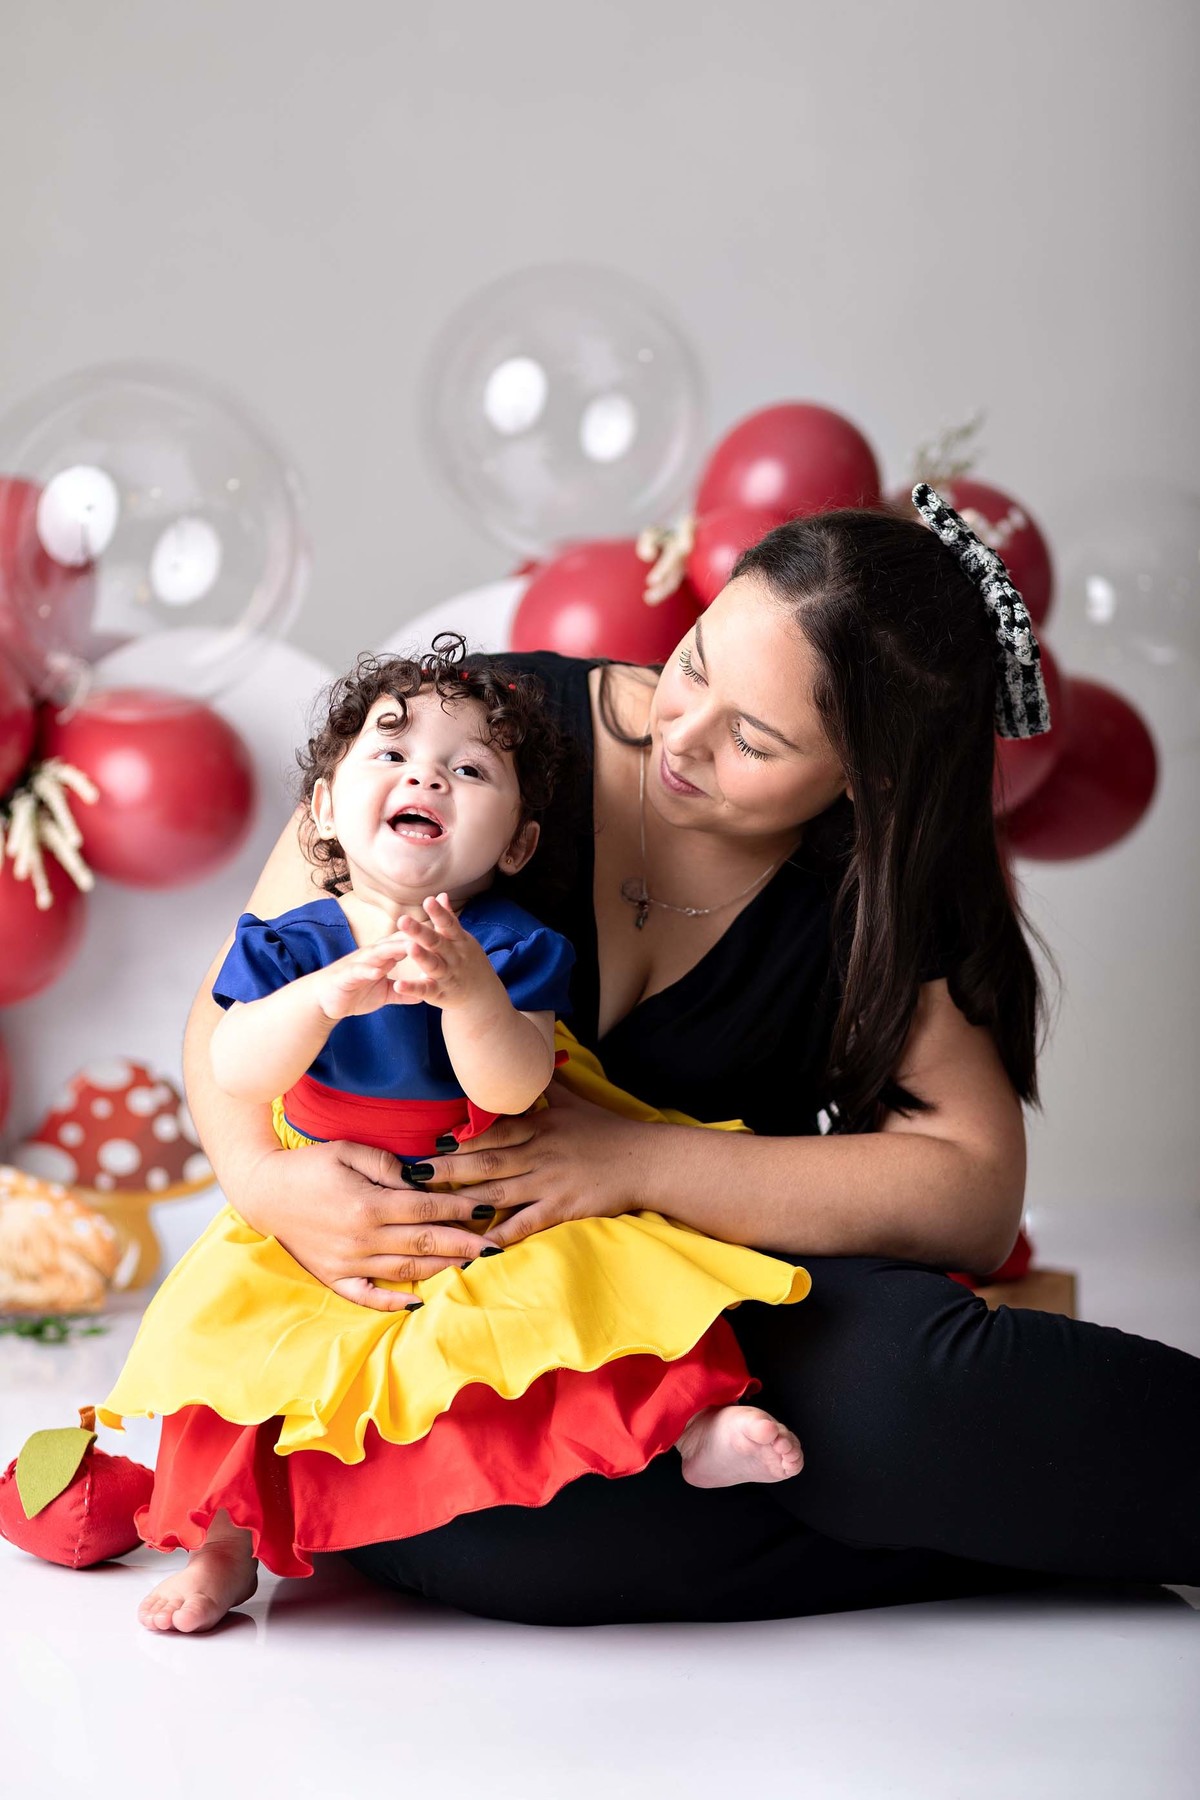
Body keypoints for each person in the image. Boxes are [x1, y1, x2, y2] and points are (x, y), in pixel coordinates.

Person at [176, 491, 1200, 1627]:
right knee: (486, 1514)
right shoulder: (476, 744)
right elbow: (233, 1009)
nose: (682, 734)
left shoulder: (874, 871)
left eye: (754, 741)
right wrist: (265, 1182)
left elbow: (972, 1190)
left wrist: (631, 1162)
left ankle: (953, 1491)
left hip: (716, 1289)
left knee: (905, 1396)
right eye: (694, 664)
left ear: (866, 779)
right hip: (450, 1305)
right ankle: (978, 1527)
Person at [102, 636, 809, 1634]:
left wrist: (471, 996)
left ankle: (690, 1427)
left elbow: (514, 1086)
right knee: (236, 1350)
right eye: (391, 753)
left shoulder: (511, 946)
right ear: (323, 810)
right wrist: (317, 1001)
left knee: (584, 1297)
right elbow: (238, 1068)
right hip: (326, 1196)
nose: (426, 775)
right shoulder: (292, 941)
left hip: (478, 1199)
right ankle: (225, 1543)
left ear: (516, 843)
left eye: (469, 770)